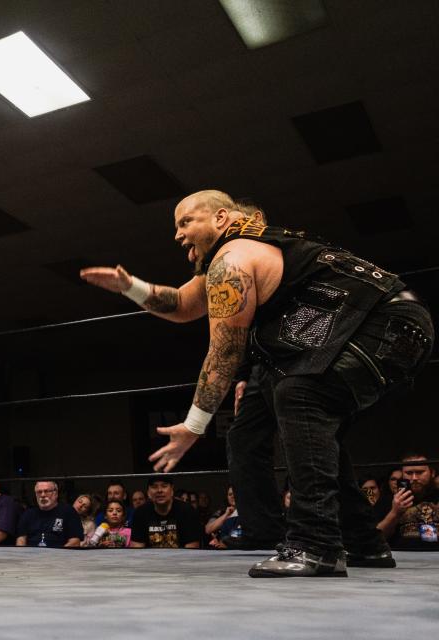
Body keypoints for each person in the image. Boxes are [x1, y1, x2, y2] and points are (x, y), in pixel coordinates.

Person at [82, 189, 433, 576]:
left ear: (221, 219)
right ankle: (363, 543)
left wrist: (194, 426)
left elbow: (224, 351)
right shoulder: (240, 253)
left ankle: (315, 545)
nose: (178, 235)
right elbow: (182, 304)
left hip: (385, 324)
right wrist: (130, 286)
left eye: (186, 222)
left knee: (299, 395)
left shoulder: (233, 257)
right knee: (292, 413)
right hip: (376, 326)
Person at [375, 454, 438, 551]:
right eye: (409, 473)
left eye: (420, 472)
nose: (414, 478)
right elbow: (375, 539)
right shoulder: (389, 499)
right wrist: (394, 513)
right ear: (402, 475)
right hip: (401, 559)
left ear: (432, 473)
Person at [129, 476, 201, 549]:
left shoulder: (187, 511)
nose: (159, 490)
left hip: (181, 559)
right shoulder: (140, 513)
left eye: (164, 486)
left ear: (172, 490)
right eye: (154, 487)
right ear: (148, 493)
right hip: (150, 559)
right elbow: (137, 549)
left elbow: (192, 550)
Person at [15, 480, 83, 548]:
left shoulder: (68, 512)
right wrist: (23, 555)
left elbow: (75, 542)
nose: (43, 495)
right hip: (31, 556)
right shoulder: (28, 514)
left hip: (59, 556)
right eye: (39, 492)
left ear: (56, 493)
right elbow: (21, 540)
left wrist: (58, 556)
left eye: (47, 491)